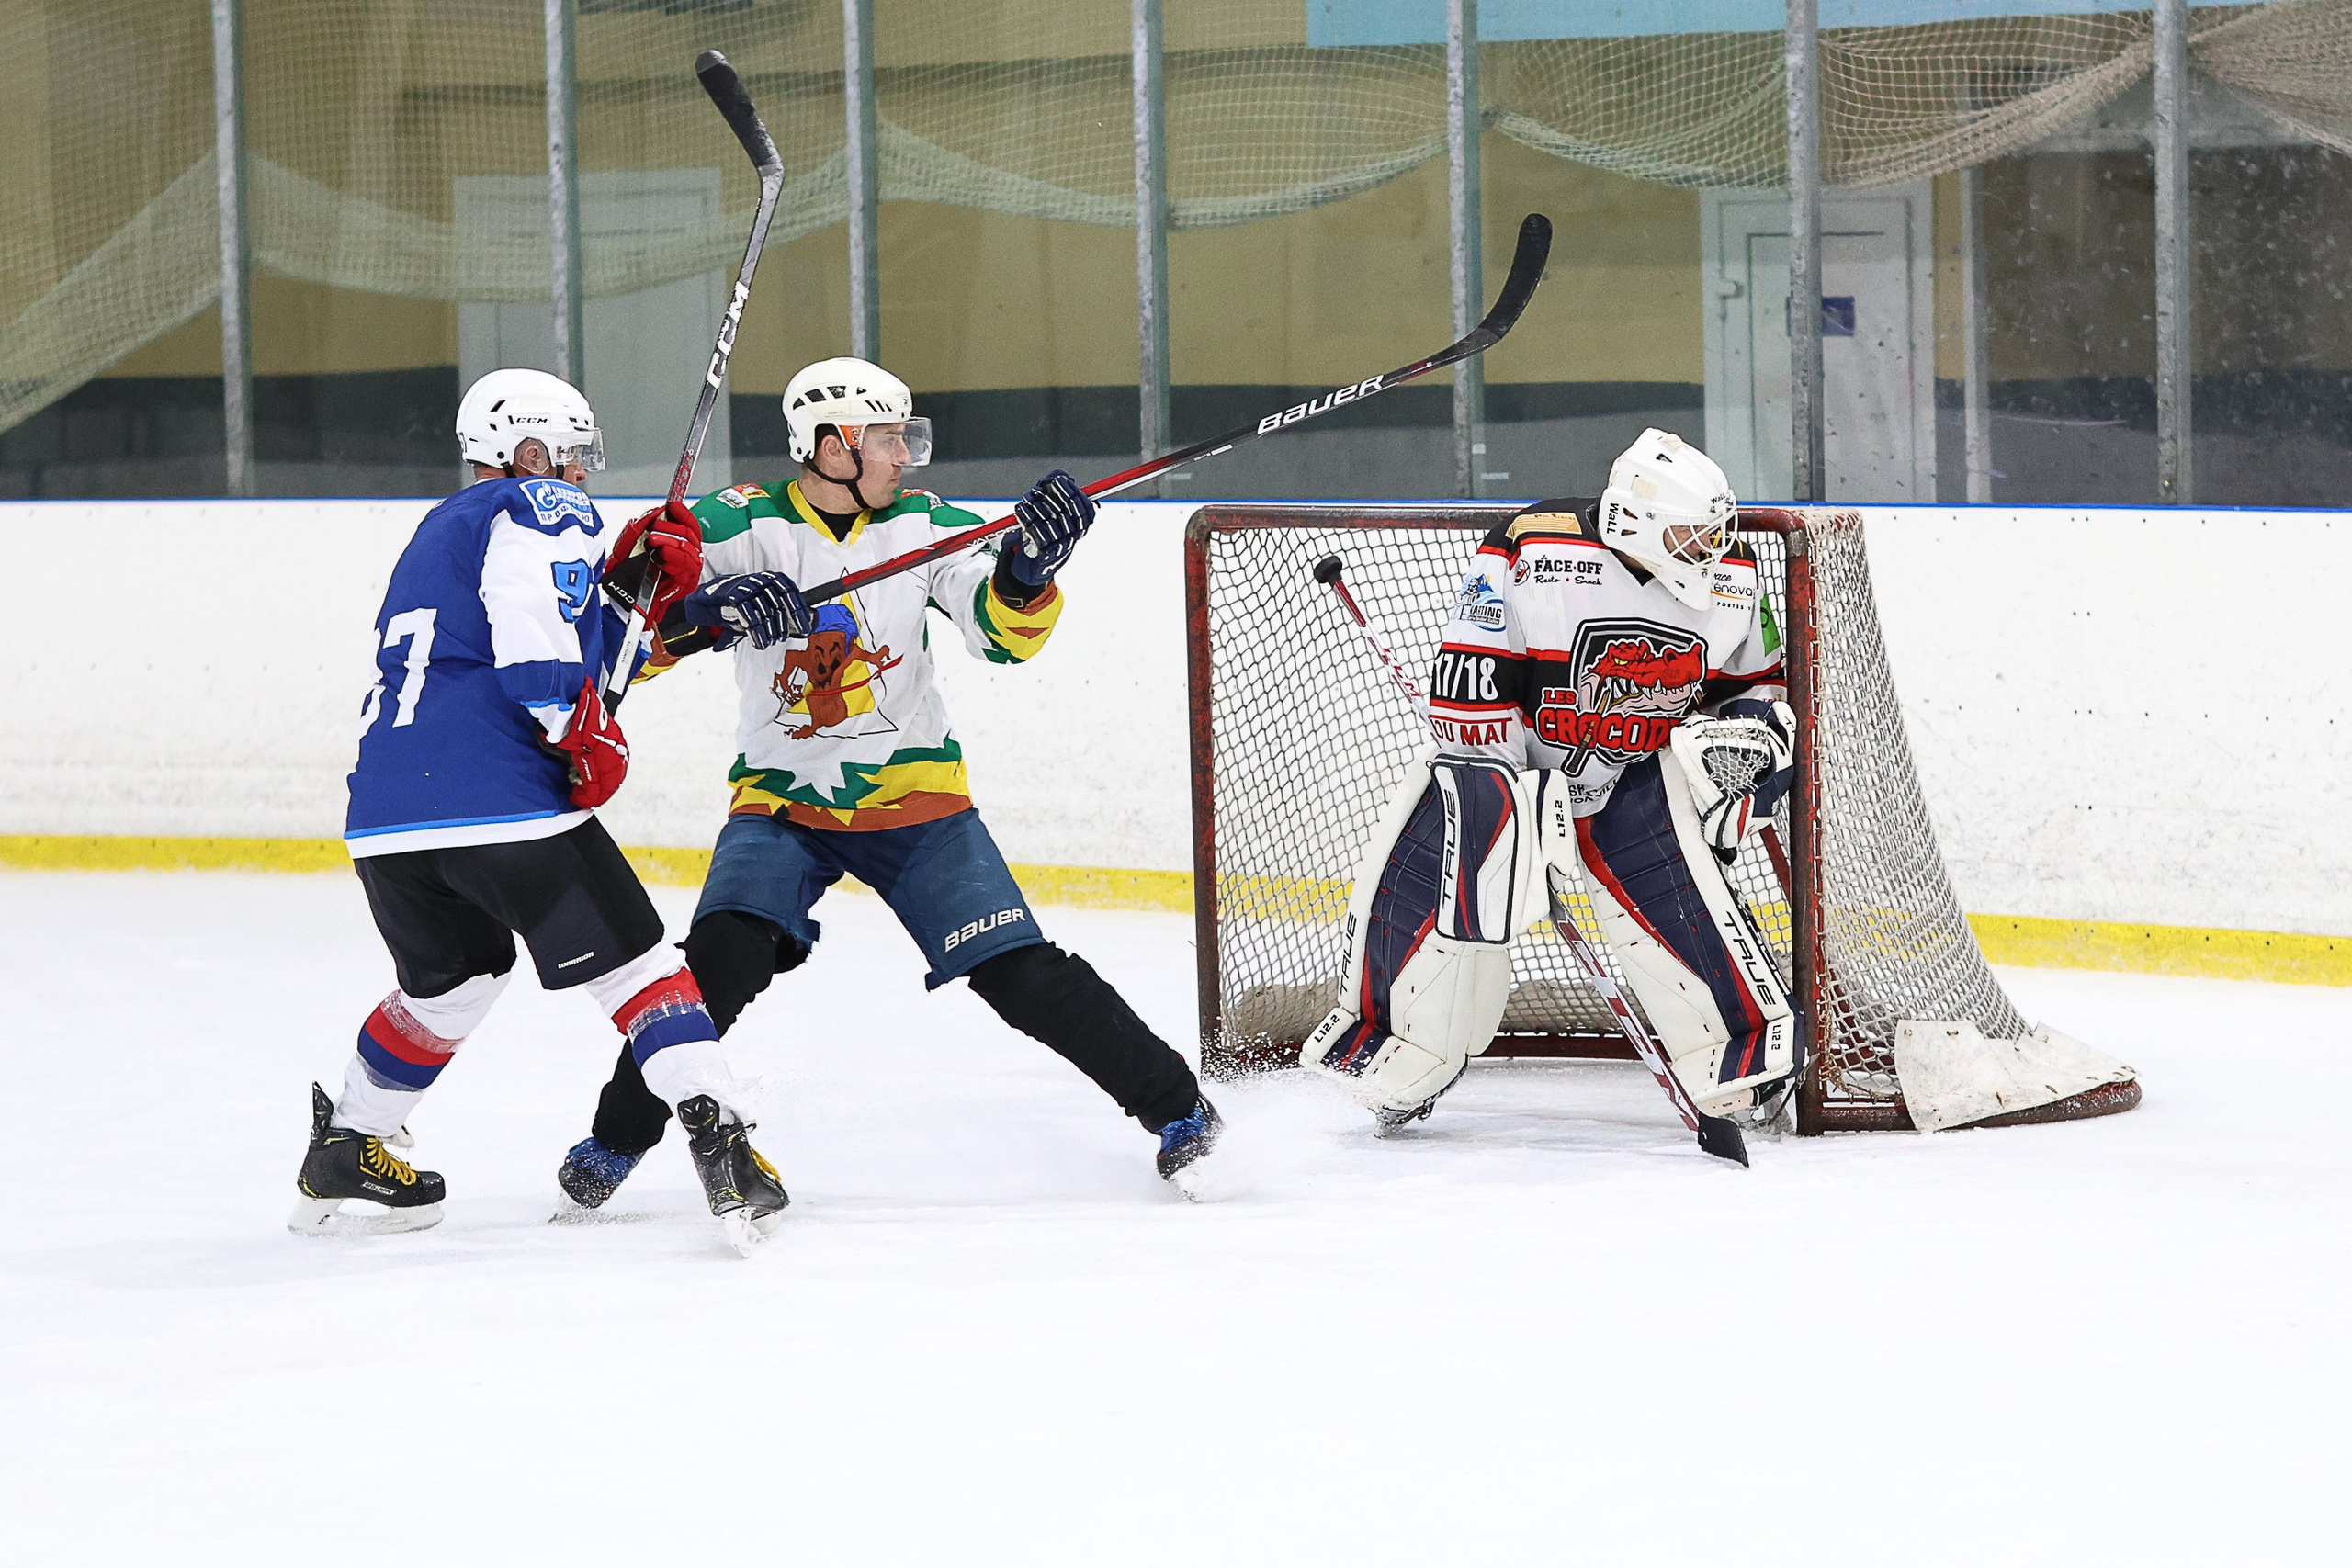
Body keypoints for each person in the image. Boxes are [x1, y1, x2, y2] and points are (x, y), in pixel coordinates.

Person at [550, 356, 1220, 1209]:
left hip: (917, 800)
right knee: (717, 962)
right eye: (887, 439)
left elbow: (1002, 636)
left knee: (1022, 975)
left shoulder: (926, 525)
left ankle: (1180, 1109)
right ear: (830, 446)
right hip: (781, 801)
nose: (904, 455)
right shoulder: (734, 524)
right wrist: (703, 612)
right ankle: (615, 1139)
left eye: (907, 437)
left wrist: (1027, 569)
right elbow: (616, 643)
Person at [291, 367, 788, 1254]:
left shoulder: (442, 530)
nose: (580, 481)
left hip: (389, 820)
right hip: (501, 804)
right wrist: (579, 724)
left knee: (452, 982)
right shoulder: (535, 506)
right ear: (528, 453)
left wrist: (656, 598)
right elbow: (536, 648)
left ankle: (348, 1141)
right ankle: (725, 1141)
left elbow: (575, 642)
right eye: (570, 460)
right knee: (640, 973)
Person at [1300, 428, 1802, 1134]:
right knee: (1436, 892)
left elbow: (1757, 685)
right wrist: (1508, 798)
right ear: (1633, 521)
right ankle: (1398, 1054)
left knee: (1684, 909)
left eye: (1716, 529)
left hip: (1633, 777)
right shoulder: (1532, 547)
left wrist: (1743, 740)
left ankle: (1733, 1061)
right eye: (1692, 533)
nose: (1712, 547)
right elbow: (1471, 671)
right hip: (1514, 769)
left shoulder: (1734, 573)